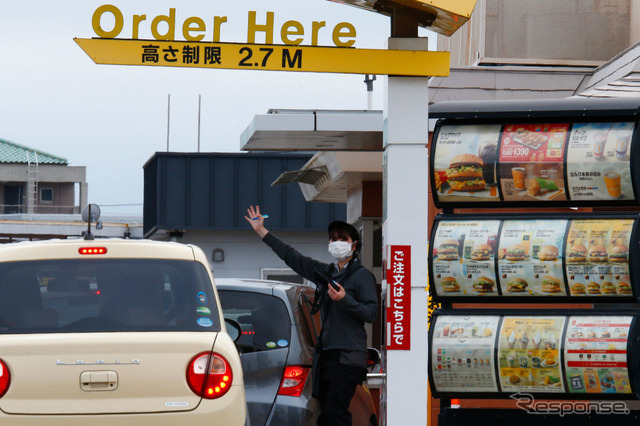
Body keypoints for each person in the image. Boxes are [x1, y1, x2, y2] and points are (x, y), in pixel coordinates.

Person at [245, 205, 378, 426]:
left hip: (348, 357)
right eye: (333, 238)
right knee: (325, 415)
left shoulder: (362, 276)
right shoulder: (327, 273)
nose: (336, 242)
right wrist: (261, 231)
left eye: (342, 238)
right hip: (326, 357)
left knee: (336, 413)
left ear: (354, 246)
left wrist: (344, 299)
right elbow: (292, 257)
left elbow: (371, 313)